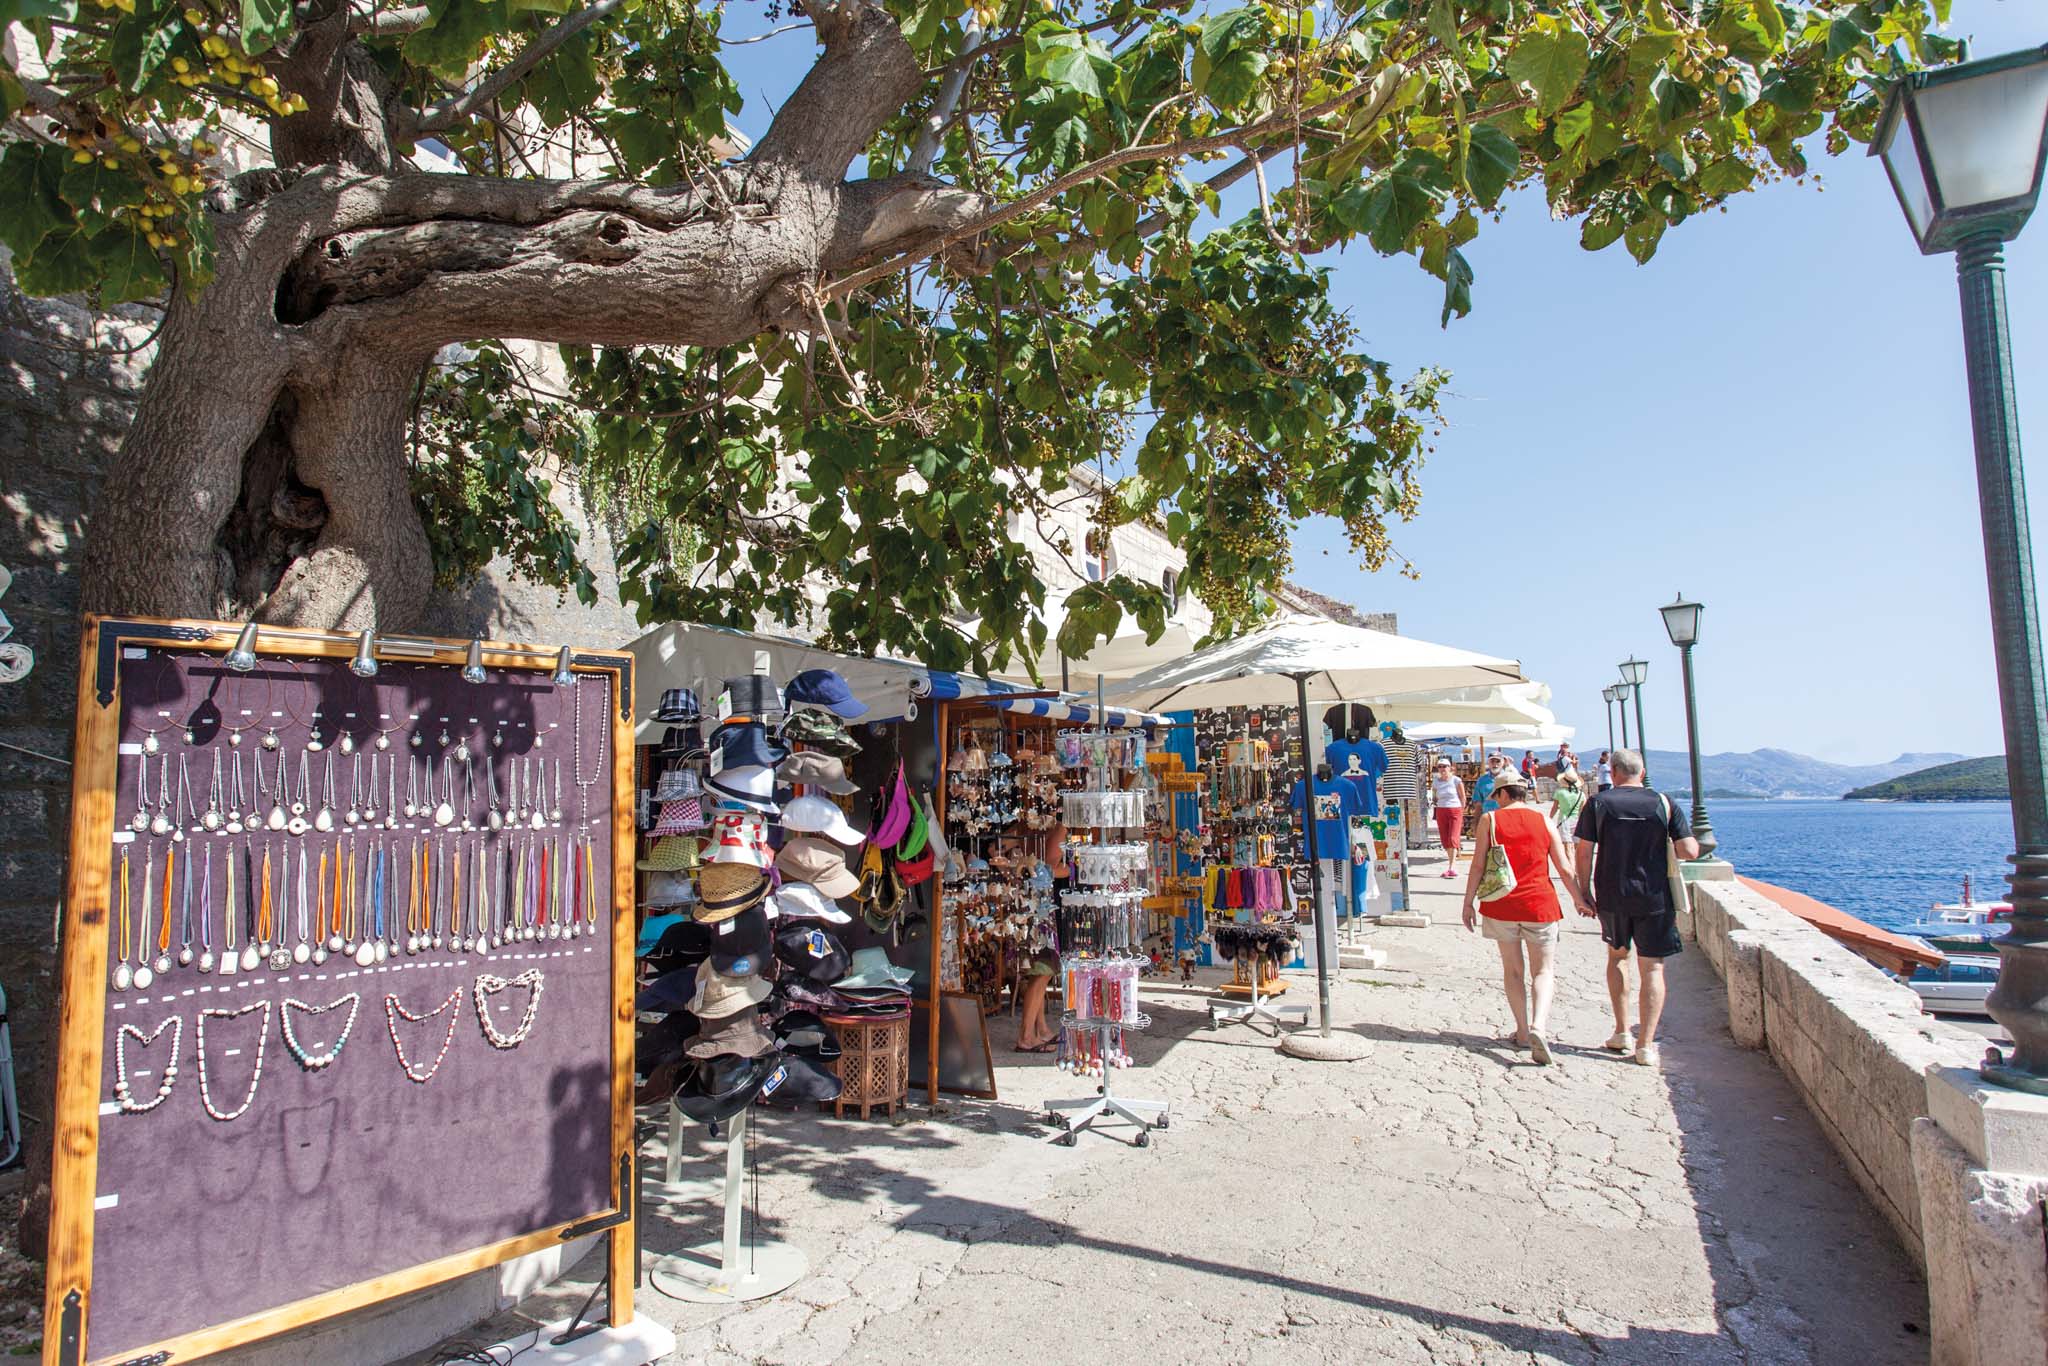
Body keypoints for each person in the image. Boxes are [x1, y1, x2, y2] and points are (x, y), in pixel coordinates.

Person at [1573, 748, 1699, 1068]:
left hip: (1613, 893)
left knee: (1617, 957)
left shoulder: (1598, 804)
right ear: (1641, 773)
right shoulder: (1664, 803)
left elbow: (1585, 852)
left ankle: (1620, 1031)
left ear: (1613, 772)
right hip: (1655, 896)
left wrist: (1582, 891)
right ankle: (1644, 1044)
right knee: (1653, 968)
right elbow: (1689, 851)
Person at [1461, 769, 1591, 1064]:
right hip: (1540, 905)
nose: (1496, 801)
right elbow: (1564, 868)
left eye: (1496, 795)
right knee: (1543, 971)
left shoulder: (1489, 820)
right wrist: (1580, 900)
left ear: (1504, 794)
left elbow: (1478, 866)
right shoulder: (1544, 821)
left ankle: (1521, 1031)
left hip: (1502, 905)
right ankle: (1539, 1026)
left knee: (1513, 971)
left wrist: (1468, 903)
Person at [1016, 823, 1070, 1052]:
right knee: (1042, 974)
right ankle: (1027, 1037)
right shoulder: (1060, 829)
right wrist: (1073, 869)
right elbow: (1047, 866)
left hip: (1035, 909)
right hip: (1039, 912)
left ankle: (1041, 1029)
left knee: (1040, 975)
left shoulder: (1034, 827)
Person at [1431, 758, 1467, 878]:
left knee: (1453, 837)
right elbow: (1434, 795)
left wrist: (1462, 809)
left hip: (1455, 809)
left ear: (1450, 767)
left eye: (1444, 766)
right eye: (1440, 766)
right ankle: (1450, 863)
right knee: (1445, 837)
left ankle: (1452, 866)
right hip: (1441, 809)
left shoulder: (1456, 780)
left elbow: (1462, 797)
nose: (1442, 769)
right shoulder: (1436, 781)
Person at [1548, 769, 1585, 844]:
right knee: (1577, 846)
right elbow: (1582, 811)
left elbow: (1554, 808)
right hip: (1577, 821)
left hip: (1564, 821)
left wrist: (1550, 818)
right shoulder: (1581, 794)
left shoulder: (1560, 792)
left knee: (1567, 847)